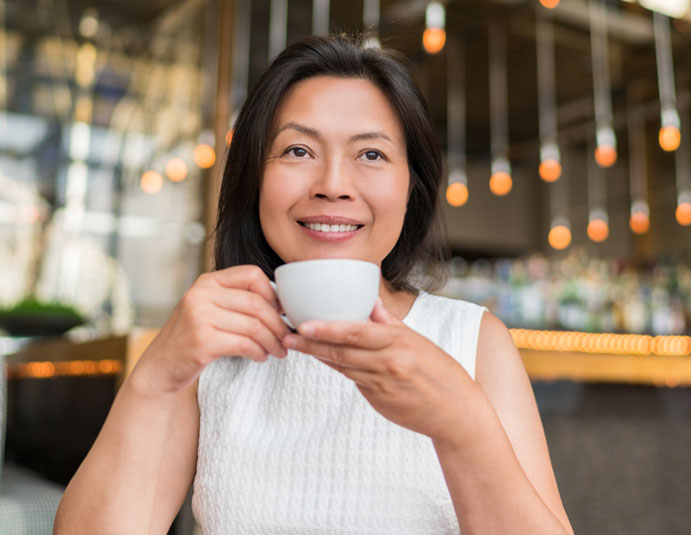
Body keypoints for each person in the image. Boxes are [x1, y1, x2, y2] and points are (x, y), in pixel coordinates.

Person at [55, 34, 573, 534]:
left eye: (371, 154)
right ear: (254, 177)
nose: (332, 185)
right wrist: (154, 379)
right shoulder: (213, 345)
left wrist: (463, 425)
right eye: (298, 151)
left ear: (411, 187)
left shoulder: (471, 340)